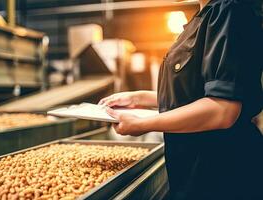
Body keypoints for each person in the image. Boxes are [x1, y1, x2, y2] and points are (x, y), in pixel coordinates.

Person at [99, 0, 263, 199]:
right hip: (195, 170)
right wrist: (140, 97)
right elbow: (193, 95)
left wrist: (144, 124)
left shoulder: (228, 11)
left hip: (222, 172)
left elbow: (222, 109)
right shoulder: (203, 17)